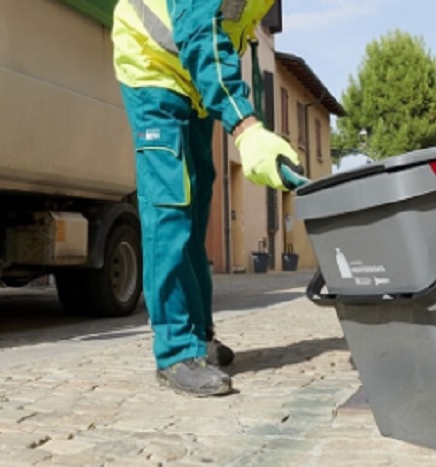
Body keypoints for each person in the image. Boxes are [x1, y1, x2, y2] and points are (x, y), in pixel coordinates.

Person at [112, 0, 308, 397]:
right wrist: (246, 126)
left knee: (197, 200)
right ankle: (175, 352)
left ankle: (200, 337)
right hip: (151, 68)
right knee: (171, 207)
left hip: (192, 81)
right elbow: (200, 31)